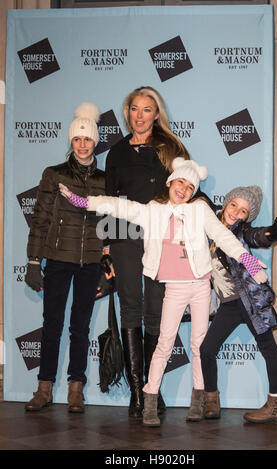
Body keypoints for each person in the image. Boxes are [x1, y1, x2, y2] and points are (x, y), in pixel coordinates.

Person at [59, 158, 268, 426]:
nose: (184, 189)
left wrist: (247, 260)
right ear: (170, 182)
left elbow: (223, 236)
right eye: (180, 182)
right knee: (164, 344)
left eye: (190, 187)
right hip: (174, 288)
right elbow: (117, 205)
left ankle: (198, 399)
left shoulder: (200, 211)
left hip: (201, 286)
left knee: (198, 345)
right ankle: (149, 400)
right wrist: (84, 202)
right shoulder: (152, 210)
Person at [103, 86, 212, 419]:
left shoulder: (172, 147)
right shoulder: (116, 152)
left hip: (161, 239)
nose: (140, 115)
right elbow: (109, 200)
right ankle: (138, 393)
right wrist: (106, 248)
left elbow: (189, 191)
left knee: (155, 311)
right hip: (124, 237)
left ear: (156, 113)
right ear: (128, 113)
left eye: (147, 109)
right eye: (134, 109)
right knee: (130, 308)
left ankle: (152, 389)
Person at [24, 102, 106, 413]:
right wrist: (34, 262)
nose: (82, 145)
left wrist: (106, 264)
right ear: (70, 142)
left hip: (90, 264)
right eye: (77, 139)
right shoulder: (53, 174)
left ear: (95, 142)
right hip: (57, 260)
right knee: (52, 325)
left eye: (87, 139)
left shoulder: (104, 179)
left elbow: (110, 225)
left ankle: (76, 390)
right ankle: (44, 389)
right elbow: (40, 218)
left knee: (80, 328)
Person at [200, 185, 277, 423]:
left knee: (268, 348)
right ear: (226, 203)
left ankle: (276, 404)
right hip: (229, 305)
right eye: (234, 205)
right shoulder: (208, 226)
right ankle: (210, 400)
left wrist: (273, 233)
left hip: (250, 299)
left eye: (243, 211)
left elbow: (258, 236)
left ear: (246, 218)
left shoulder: (241, 231)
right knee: (206, 349)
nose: (236, 213)